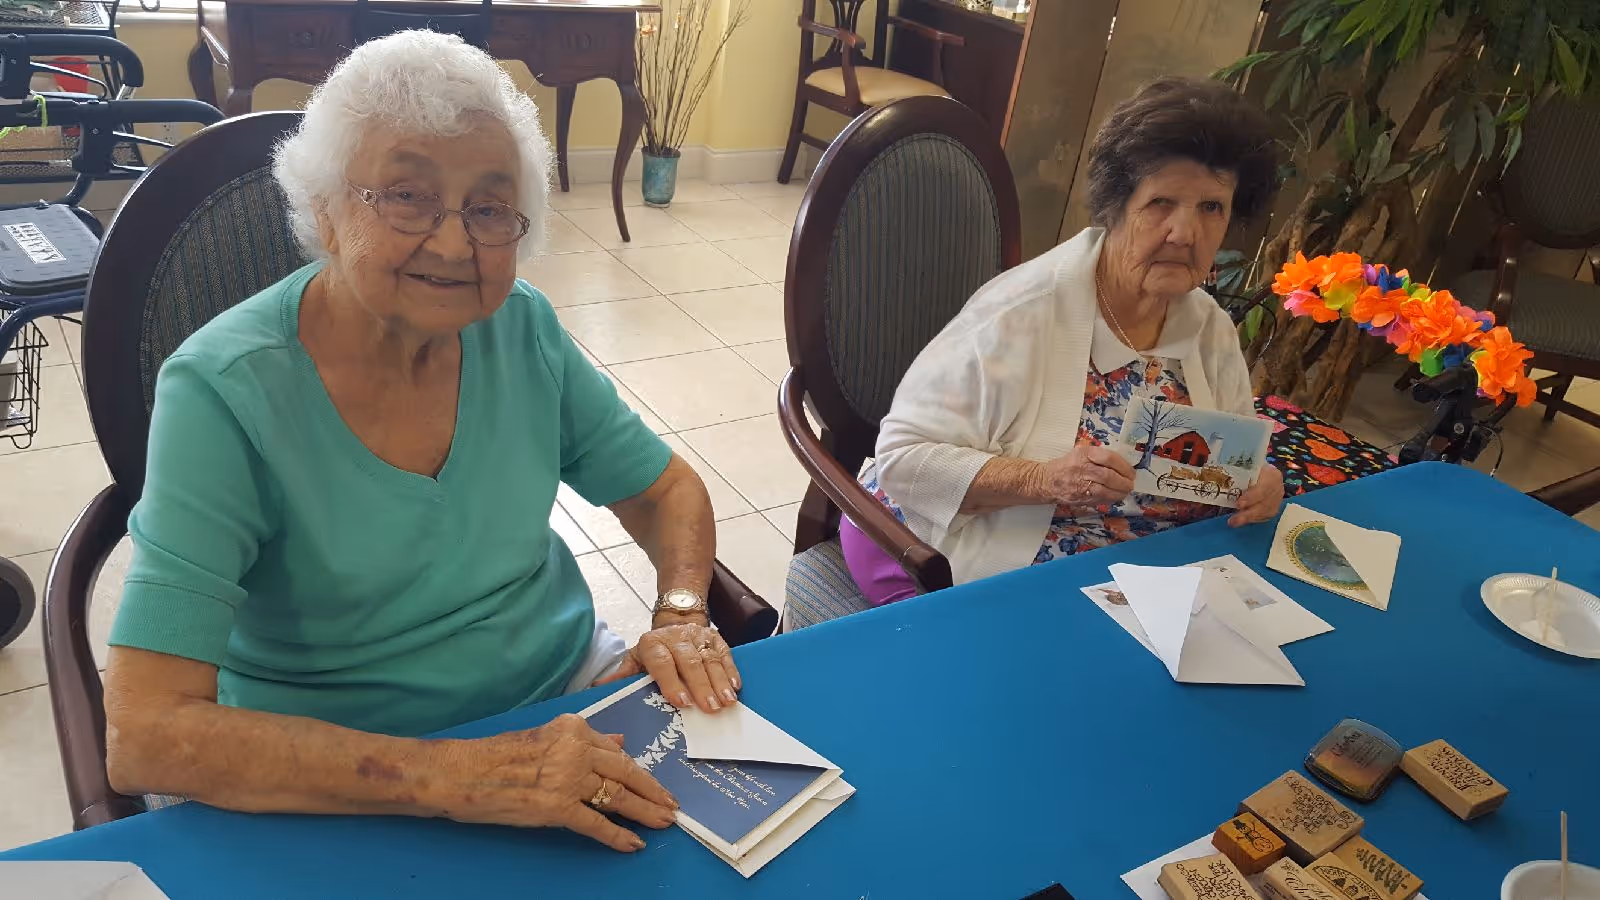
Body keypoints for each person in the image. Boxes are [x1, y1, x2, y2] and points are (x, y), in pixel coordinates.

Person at [102, 30, 738, 854]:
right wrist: (455, 778)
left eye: (488, 207)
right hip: (344, 773)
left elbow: (664, 491)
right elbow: (147, 732)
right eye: (406, 195)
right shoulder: (224, 391)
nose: (451, 243)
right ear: (326, 210)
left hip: (570, 705)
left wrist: (682, 611)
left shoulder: (522, 330)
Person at [839, 76, 1287, 604]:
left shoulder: (1207, 324)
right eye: (1161, 202)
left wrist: (1258, 482)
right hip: (974, 550)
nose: (1184, 233)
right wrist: (1045, 480)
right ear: (1116, 206)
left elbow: (1228, 456)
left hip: (1147, 574)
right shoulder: (1021, 313)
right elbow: (902, 461)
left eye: (1211, 207)